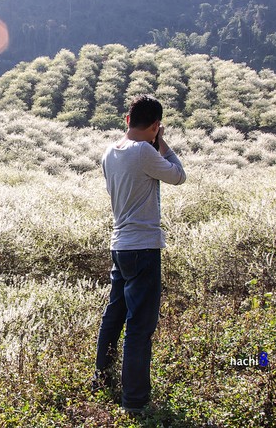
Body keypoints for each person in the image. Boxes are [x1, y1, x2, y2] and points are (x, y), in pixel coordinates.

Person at [93, 94, 186, 414]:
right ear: (156, 126)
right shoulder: (145, 151)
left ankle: (101, 379)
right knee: (140, 326)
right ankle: (134, 401)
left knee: (114, 316)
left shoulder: (110, 152)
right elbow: (178, 175)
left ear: (127, 121)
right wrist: (164, 143)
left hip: (119, 245)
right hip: (143, 247)